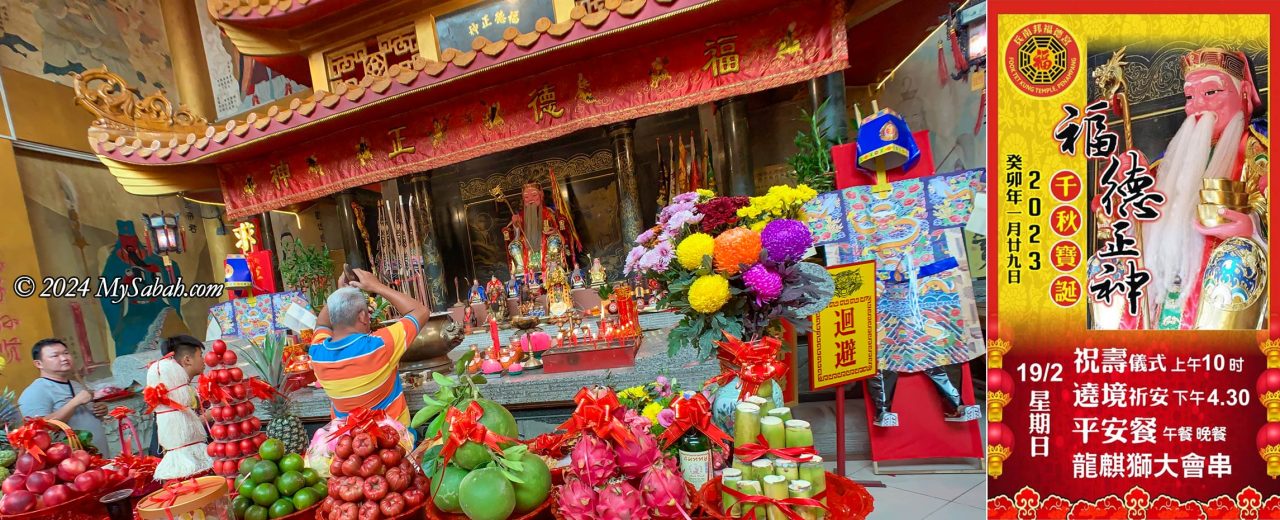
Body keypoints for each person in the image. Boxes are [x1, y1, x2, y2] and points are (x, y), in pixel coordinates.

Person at [1090, 47, 1268, 330]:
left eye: (1211, 93)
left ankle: (1215, 362)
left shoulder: (1260, 151)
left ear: (1244, 93)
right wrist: (1124, 193)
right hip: (1163, 282)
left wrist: (1252, 227)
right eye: (1189, 97)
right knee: (1104, 266)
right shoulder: (1168, 163)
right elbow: (1130, 221)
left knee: (1237, 260)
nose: (1198, 106)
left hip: (1216, 271)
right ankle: (1122, 353)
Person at [310, 267, 430, 426]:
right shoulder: (379, 345)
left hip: (348, 444)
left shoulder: (317, 353)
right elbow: (420, 311)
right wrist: (377, 286)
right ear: (362, 316)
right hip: (394, 442)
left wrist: (341, 293)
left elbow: (322, 323)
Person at [18, 338, 109, 453]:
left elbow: (84, 414)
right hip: (70, 463)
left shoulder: (76, 384)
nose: (64, 358)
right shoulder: (35, 392)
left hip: (98, 455)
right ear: (38, 363)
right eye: (55, 356)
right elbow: (40, 430)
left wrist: (100, 410)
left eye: (66, 353)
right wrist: (75, 402)